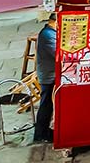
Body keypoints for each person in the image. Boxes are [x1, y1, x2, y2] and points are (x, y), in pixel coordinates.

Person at [33, 13, 57, 144]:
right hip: (48, 75)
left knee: (48, 105)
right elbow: (57, 53)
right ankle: (41, 133)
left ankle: (44, 131)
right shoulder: (48, 35)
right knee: (46, 105)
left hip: (50, 73)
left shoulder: (49, 33)